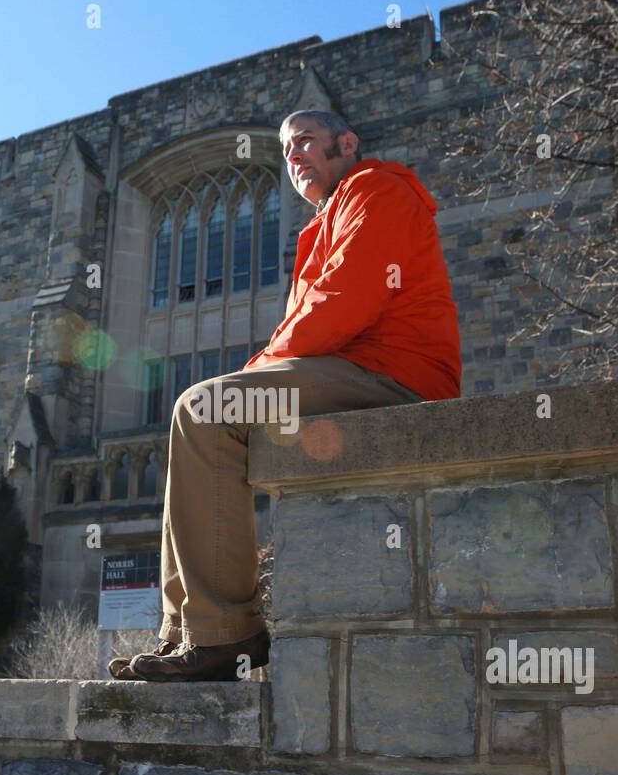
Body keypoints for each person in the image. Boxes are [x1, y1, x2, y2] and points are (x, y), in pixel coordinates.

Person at [110, 109, 462, 682]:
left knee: (205, 410)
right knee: (197, 418)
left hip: (396, 376)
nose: (294, 155)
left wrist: (251, 373)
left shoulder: (379, 190)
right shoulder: (321, 225)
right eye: (286, 149)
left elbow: (346, 302)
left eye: (305, 142)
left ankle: (228, 635)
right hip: (349, 370)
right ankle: (185, 636)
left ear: (346, 143)